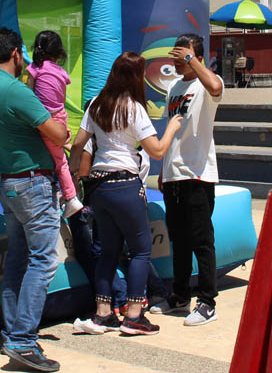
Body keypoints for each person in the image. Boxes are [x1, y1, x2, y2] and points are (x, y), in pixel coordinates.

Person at [0, 28, 67, 372]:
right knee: (43, 261)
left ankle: (12, 332)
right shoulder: (16, 91)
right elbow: (58, 133)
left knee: (18, 259)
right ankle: (24, 341)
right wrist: (62, 128)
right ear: (15, 53)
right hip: (33, 184)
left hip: (6, 183)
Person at [69, 52, 183, 336]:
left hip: (99, 187)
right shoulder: (134, 108)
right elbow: (156, 150)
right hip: (126, 184)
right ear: (136, 77)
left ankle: (103, 314)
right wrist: (170, 128)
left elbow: (78, 144)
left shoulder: (96, 105)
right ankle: (134, 315)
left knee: (107, 252)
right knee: (141, 251)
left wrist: (71, 177)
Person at [152, 33, 224, 326]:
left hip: (198, 173)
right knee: (178, 240)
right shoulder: (173, 87)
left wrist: (192, 61)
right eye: (176, 55)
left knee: (202, 241)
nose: (177, 60)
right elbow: (174, 131)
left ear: (197, 56)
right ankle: (180, 296)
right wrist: (164, 171)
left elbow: (217, 86)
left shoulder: (206, 83)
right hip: (173, 174)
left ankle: (207, 302)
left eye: (184, 54)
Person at [26, 30, 84, 218]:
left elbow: (28, 95)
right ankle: (65, 143)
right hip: (60, 117)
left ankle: (71, 197)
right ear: (59, 52)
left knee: (60, 163)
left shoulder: (35, 69)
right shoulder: (61, 73)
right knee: (59, 154)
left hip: (45, 120)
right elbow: (62, 98)